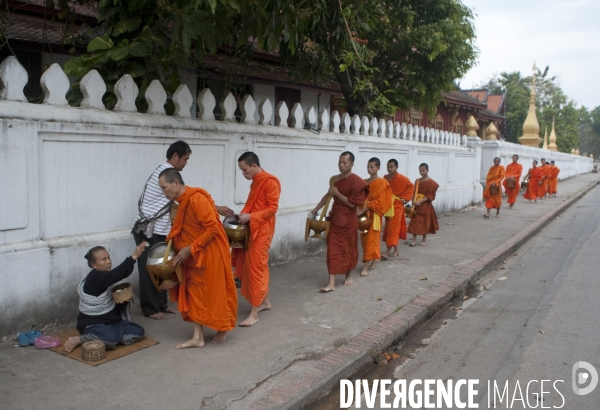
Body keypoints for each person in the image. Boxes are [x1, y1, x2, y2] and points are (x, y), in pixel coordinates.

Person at [132, 141, 235, 320]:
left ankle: (161, 305)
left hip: (160, 228)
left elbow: (187, 198)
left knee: (164, 266)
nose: (185, 163)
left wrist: (213, 208)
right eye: (185, 159)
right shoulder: (164, 176)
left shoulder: (169, 177)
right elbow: (185, 197)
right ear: (175, 156)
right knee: (151, 267)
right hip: (148, 229)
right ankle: (150, 308)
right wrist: (215, 208)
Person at [159, 169, 238, 348]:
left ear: (176, 183)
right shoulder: (178, 203)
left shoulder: (195, 198)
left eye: (164, 188)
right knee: (194, 293)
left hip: (209, 254)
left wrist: (191, 248)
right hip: (190, 256)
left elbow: (212, 228)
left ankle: (222, 326)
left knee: (213, 292)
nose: (163, 192)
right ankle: (198, 337)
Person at [64, 242, 149, 353]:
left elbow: (113, 308)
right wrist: (134, 256)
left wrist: (121, 303)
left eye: (109, 258)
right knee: (111, 338)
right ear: (93, 265)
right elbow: (116, 274)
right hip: (92, 324)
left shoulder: (107, 279)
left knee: (138, 331)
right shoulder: (94, 278)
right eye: (103, 259)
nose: (109, 262)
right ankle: (80, 339)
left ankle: (107, 337)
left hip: (111, 323)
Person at [231, 152, 281, 327]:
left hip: (263, 230)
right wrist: (243, 215)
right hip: (252, 229)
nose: (244, 174)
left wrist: (251, 217)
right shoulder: (256, 182)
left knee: (256, 269)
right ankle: (265, 302)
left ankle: (254, 313)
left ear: (254, 166)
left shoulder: (270, 182)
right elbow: (252, 203)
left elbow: (272, 208)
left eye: (245, 170)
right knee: (256, 266)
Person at [311, 152, 368, 292]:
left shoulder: (357, 182)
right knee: (333, 249)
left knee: (348, 248)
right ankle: (331, 283)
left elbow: (352, 204)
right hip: (335, 219)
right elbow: (329, 194)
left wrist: (337, 194)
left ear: (352, 164)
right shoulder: (334, 179)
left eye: (345, 163)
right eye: (340, 162)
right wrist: (317, 208)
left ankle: (348, 275)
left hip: (349, 220)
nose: (341, 165)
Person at [359, 158, 393, 276]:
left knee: (371, 240)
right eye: (368, 167)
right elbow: (360, 198)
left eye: (372, 167)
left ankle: (366, 267)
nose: (369, 169)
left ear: (378, 168)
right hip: (363, 215)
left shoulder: (382, 183)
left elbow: (384, 202)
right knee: (365, 240)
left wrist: (368, 206)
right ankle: (374, 259)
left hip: (375, 215)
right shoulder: (364, 182)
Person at [382, 159, 413, 259]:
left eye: (392, 167)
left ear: (396, 167)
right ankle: (396, 250)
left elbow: (410, 186)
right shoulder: (385, 178)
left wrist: (406, 198)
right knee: (390, 227)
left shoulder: (402, 178)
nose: (389, 169)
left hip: (397, 205)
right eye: (388, 167)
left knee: (392, 228)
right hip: (387, 204)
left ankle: (387, 251)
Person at [407, 163, 439, 246]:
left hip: (425, 205)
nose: (421, 172)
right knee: (414, 223)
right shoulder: (417, 181)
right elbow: (414, 192)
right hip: (416, 205)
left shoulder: (432, 183)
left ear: (427, 170)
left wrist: (419, 201)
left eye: (423, 170)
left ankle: (424, 239)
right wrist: (413, 200)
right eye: (420, 171)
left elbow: (430, 196)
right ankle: (414, 240)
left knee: (425, 222)